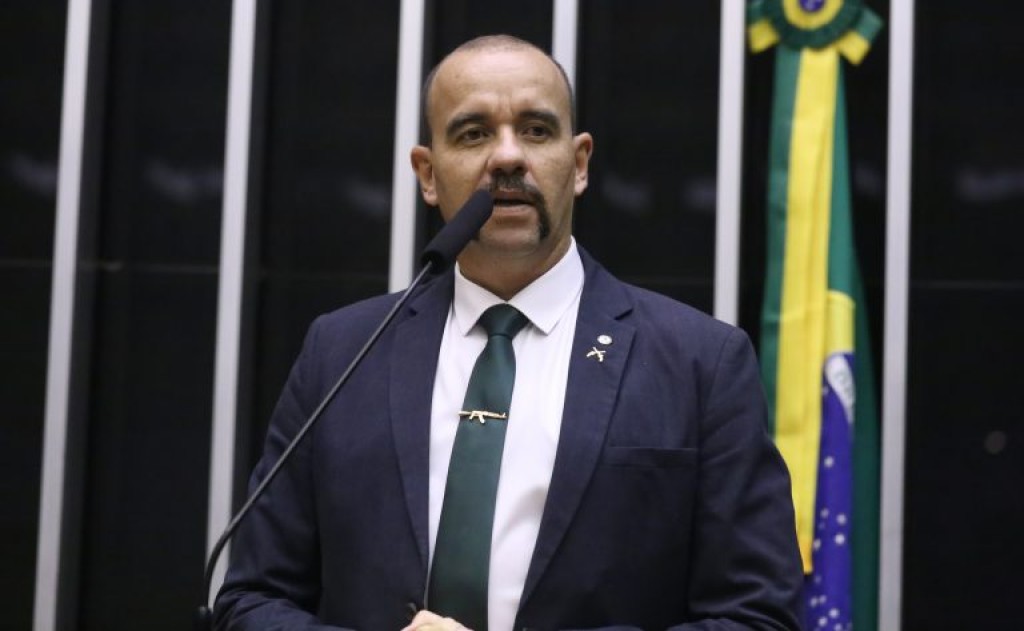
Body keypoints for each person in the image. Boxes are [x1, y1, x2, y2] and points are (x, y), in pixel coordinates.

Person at [215, 34, 802, 631]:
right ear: (427, 174)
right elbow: (250, 600)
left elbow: (758, 618)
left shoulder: (700, 363)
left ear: (578, 164)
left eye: (536, 130)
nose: (507, 158)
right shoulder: (341, 353)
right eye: (473, 134)